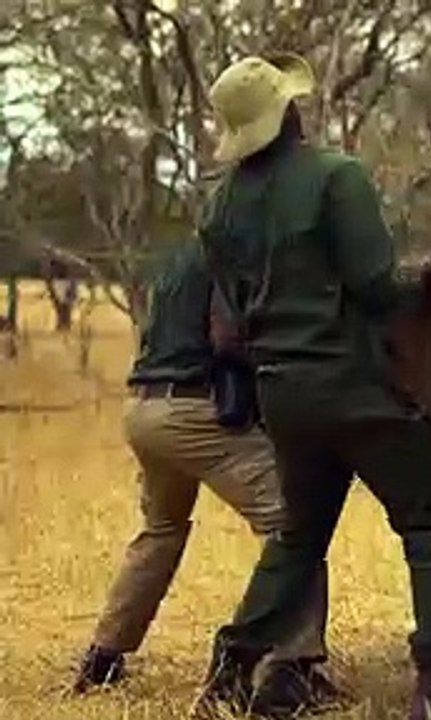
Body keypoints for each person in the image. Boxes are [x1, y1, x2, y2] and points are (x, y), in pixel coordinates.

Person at [191, 54, 431, 720]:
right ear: (288, 111)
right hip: (354, 383)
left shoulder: (219, 205)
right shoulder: (336, 177)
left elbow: (231, 307)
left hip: (282, 392)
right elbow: (375, 286)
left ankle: (230, 666)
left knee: (298, 538)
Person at [71, 242, 339, 718]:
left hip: (144, 409)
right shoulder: (236, 253)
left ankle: (104, 656)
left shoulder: (176, 260)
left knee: (160, 531)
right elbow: (228, 338)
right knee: (297, 523)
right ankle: (291, 667)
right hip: (194, 411)